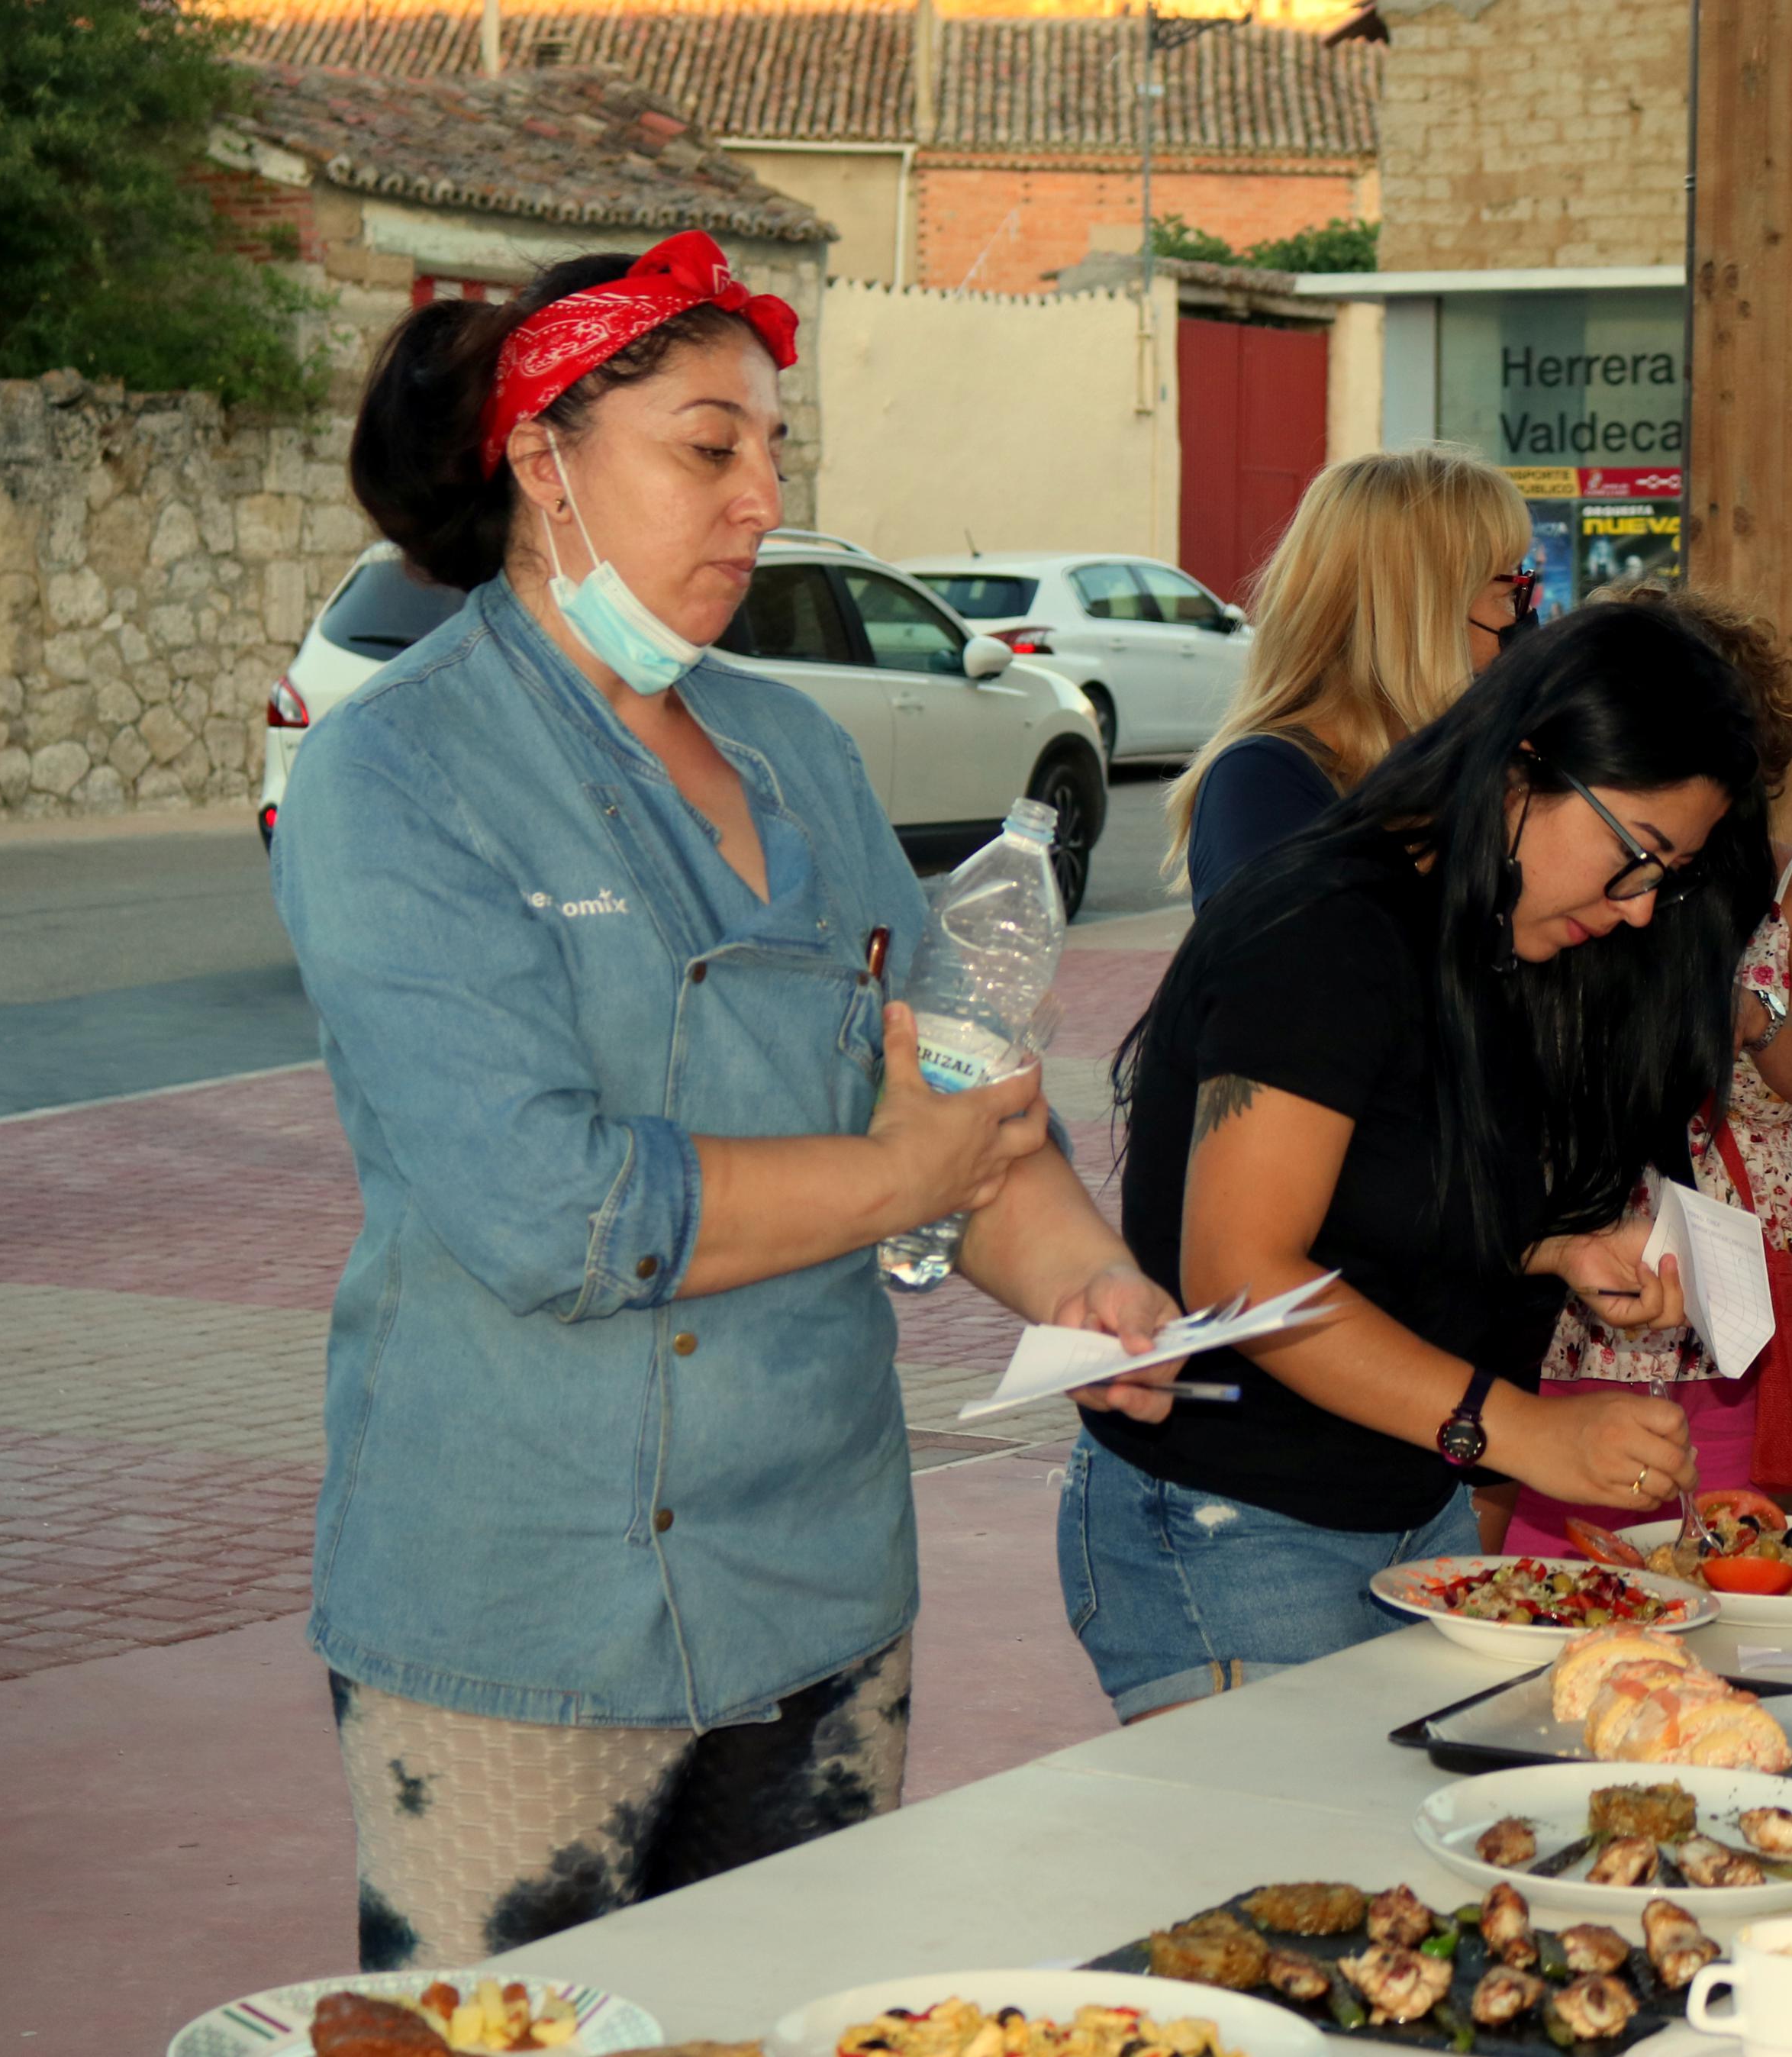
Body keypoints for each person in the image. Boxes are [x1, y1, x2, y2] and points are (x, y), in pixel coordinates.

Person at [273, 231, 1182, 1970]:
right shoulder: (398, 774)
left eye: (777, 451)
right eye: (710, 448)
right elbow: (557, 1214)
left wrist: (1091, 1283)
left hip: (821, 1592)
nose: (762, 498)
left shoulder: (804, 753)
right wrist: (892, 1172)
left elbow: (963, 1094)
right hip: (520, 1616)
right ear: (543, 458)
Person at [1065, 602, 1775, 1722]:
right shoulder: (1326, 927)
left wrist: (1558, 1245)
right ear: (1522, 767)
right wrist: (1524, 1429)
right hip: (1237, 1519)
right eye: (1633, 855)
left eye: (1668, 877)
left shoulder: (1489, 933)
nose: (1640, 908)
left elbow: (1388, 1184)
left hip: (1403, 1505)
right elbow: (1239, 1269)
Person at [1505, 585, 1792, 1556]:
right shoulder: (1578, 875)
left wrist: (1745, 1014)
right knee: (1563, 1536)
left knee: (1738, 1543)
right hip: (1593, 1240)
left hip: (1736, 1272)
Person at [1166, 444, 1535, 907]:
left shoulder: (1451, 764)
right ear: (1423, 609)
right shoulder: (1264, 781)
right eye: (1509, 589)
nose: (1520, 620)